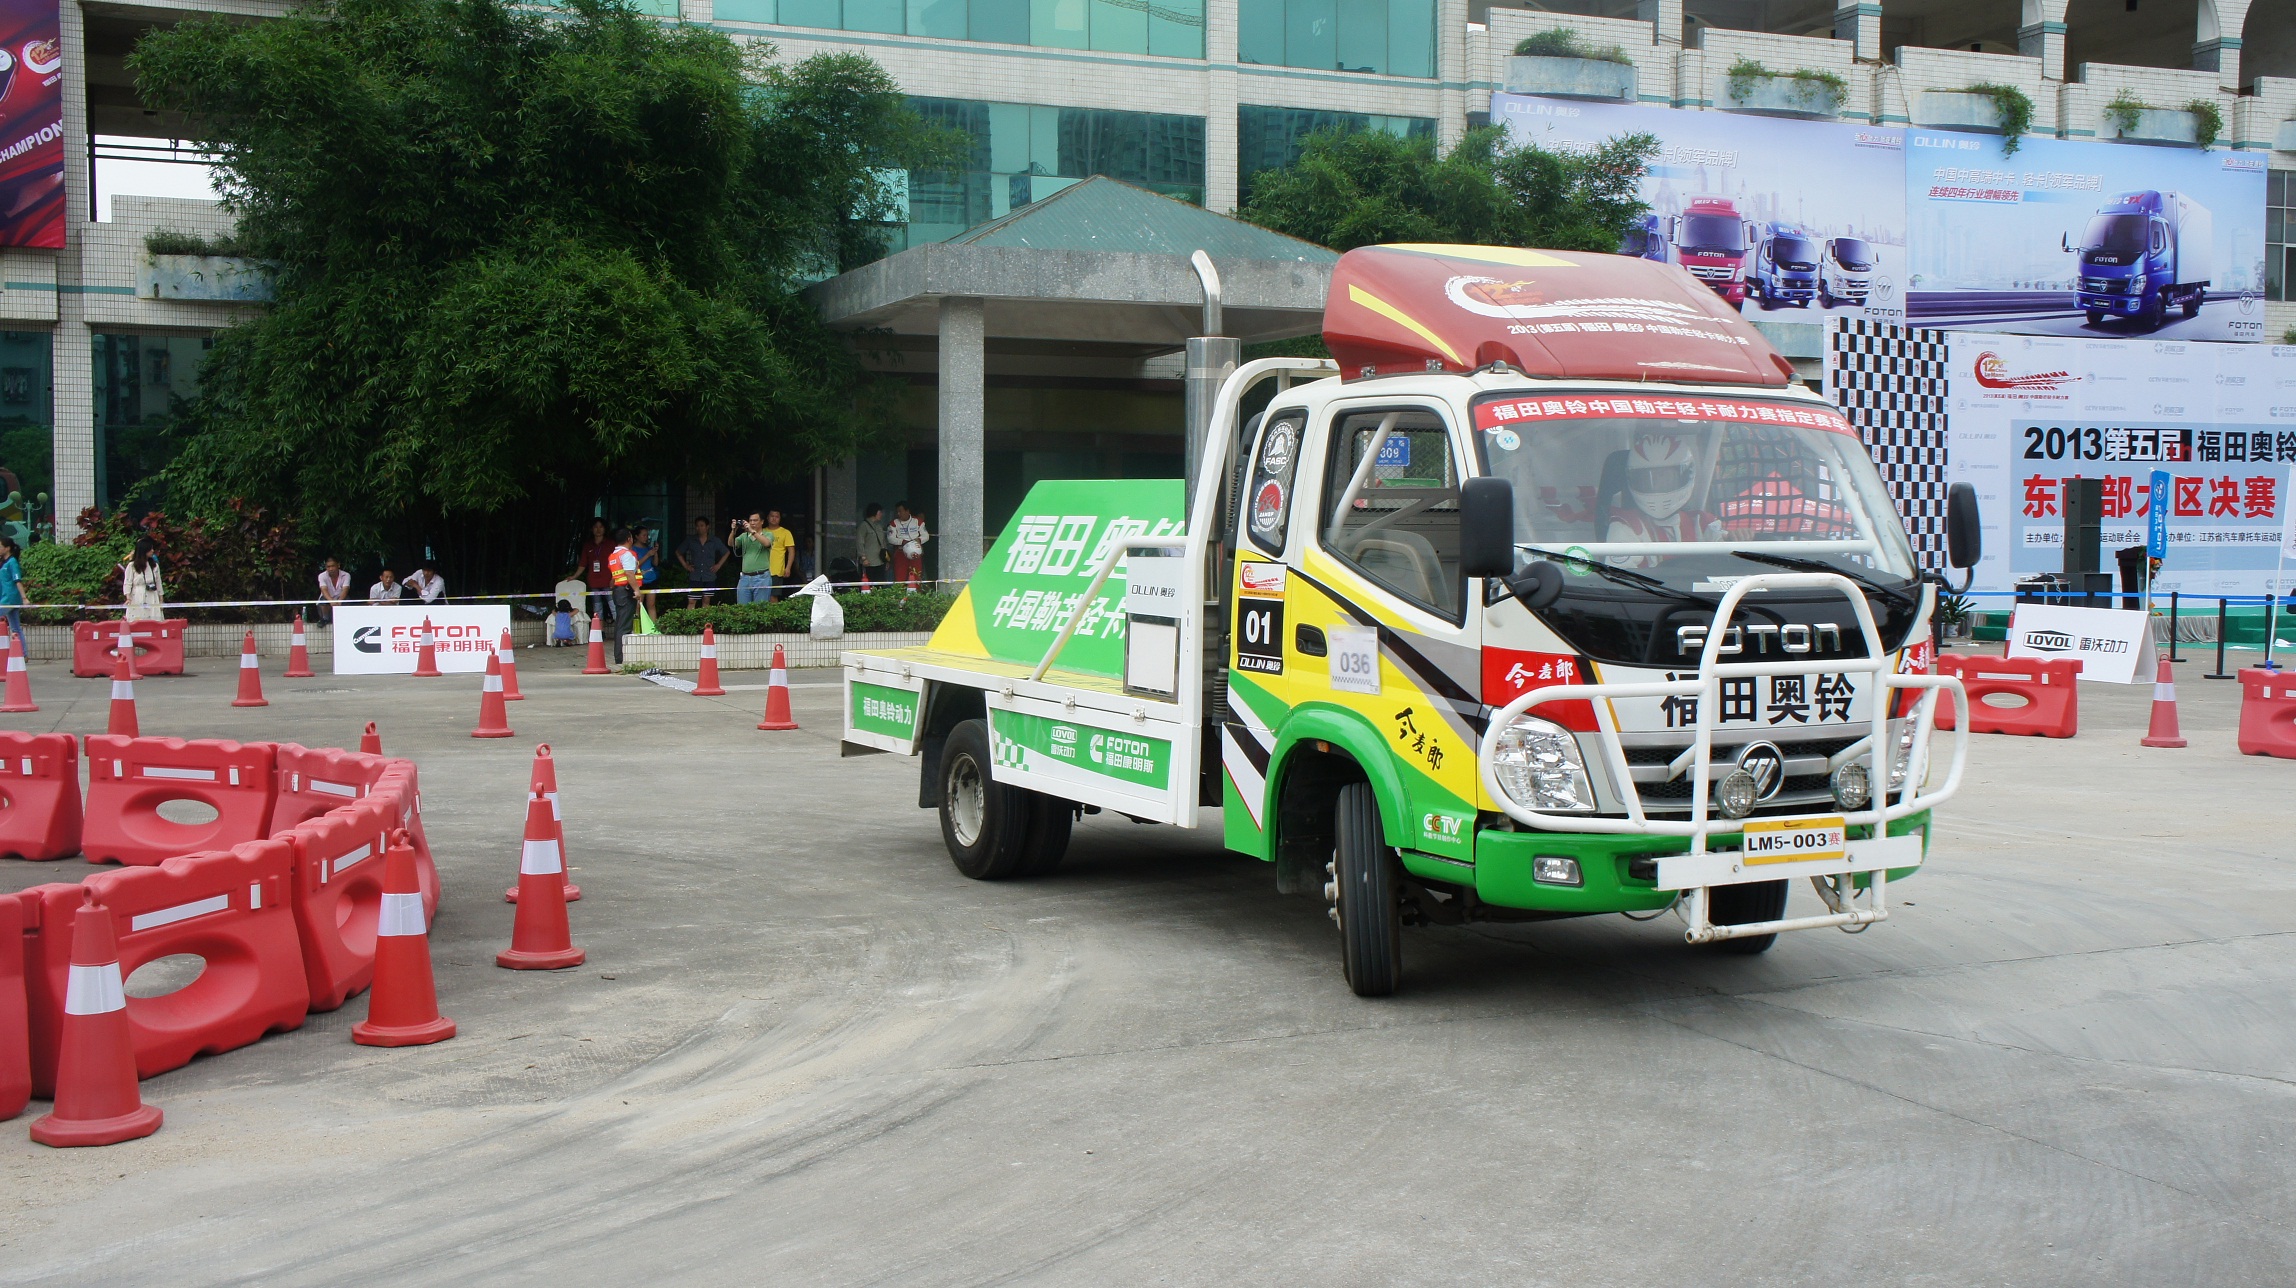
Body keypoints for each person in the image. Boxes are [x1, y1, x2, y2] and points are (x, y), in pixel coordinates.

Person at [1604, 435, 1720, 569]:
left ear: (1686, 475)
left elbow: (1727, 563)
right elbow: (1621, 580)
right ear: (1633, 480)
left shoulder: (1702, 522)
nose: (1656, 486)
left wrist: (1737, 537)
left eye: (1665, 478)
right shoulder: (1625, 525)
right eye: (1647, 479)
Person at [677, 515, 729, 608]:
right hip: (695, 575)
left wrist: (718, 565)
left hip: (709, 575)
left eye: (702, 525)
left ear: (707, 527)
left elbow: (726, 552)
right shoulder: (690, 540)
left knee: (706, 601)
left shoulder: (714, 540)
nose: (699, 528)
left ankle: (705, 622)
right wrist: (686, 565)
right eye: (697, 526)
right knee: (692, 600)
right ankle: (691, 621)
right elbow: (678, 552)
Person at [607, 526, 641, 664]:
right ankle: (621, 657)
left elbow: (614, 577)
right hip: (626, 591)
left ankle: (619, 656)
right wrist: (637, 590)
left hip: (618, 591)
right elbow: (629, 573)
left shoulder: (613, 555)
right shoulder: (627, 554)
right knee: (625, 625)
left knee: (621, 623)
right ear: (629, 539)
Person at [729, 512, 777, 605]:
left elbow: (766, 543)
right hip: (745, 578)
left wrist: (752, 531)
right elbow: (731, 544)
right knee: (742, 609)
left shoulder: (768, 534)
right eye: (750, 520)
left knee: (760, 609)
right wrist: (733, 531)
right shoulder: (744, 536)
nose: (752, 523)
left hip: (762, 577)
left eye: (755, 520)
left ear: (762, 522)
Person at [578, 517, 615, 626]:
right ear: (591, 529)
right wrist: (574, 576)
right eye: (595, 527)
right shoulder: (588, 545)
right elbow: (582, 564)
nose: (598, 530)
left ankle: (620, 631)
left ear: (605, 529)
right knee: (597, 608)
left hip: (608, 580)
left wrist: (614, 578)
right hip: (594, 580)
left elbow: (616, 562)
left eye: (601, 527)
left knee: (613, 606)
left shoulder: (611, 543)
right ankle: (600, 632)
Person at [888, 502, 930, 589]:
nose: (898, 514)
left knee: (916, 577)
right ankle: (900, 599)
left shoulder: (918, 521)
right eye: (897, 512)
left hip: (916, 553)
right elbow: (890, 538)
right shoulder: (893, 523)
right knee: (900, 578)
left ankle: (915, 598)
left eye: (900, 511)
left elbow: (926, 536)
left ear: (907, 511)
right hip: (900, 553)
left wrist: (918, 540)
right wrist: (903, 541)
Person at [121, 544, 165, 621]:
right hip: (137, 596)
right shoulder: (132, 566)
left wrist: (161, 599)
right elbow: (127, 582)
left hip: (152, 595)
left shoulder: (155, 565)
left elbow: (158, 582)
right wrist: (128, 597)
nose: (152, 551)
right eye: (150, 549)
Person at [761, 509, 798, 600]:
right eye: (772, 516)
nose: (774, 518)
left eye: (777, 516)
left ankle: (774, 614)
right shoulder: (761, 532)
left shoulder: (785, 532)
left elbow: (791, 551)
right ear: (767, 518)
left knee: (773, 597)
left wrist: (788, 567)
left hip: (776, 570)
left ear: (780, 518)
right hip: (761, 570)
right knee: (761, 597)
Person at [855, 502, 889, 589]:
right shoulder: (864, 526)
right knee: (868, 584)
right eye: (880, 512)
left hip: (880, 560)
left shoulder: (879, 526)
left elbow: (883, 542)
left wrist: (887, 559)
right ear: (875, 512)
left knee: (880, 584)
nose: (881, 515)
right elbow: (860, 542)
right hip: (869, 561)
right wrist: (863, 557)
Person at [631, 524, 660, 618]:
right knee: (639, 606)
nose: (646, 537)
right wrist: (647, 555)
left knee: (651, 605)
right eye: (643, 535)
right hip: (640, 580)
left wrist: (655, 552)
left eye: (647, 535)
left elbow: (655, 564)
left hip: (651, 579)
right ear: (636, 536)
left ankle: (653, 629)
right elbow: (635, 565)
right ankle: (637, 629)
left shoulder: (648, 548)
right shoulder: (633, 549)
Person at [0, 535, 22, 646]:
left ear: (7, 548)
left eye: (0, 546)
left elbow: (17, 580)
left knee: (15, 626)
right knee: (15, 626)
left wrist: (24, 598)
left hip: (9, 599)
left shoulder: (12, 562)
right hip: (6, 598)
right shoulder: (3, 563)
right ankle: (23, 654)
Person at [317, 557, 351, 624]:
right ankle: (325, 619)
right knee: (323, 600)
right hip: (327, 601)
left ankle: (344, 620)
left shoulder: (346, 575)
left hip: (340, 600)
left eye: (333, 566)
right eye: (328, 567)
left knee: (347, 599)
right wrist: (331, 601)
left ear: (338, 565)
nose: (331, 569)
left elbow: (345, 589)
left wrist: (339, 601)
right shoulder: (322, 576)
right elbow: (324, 590)